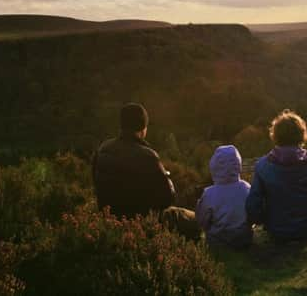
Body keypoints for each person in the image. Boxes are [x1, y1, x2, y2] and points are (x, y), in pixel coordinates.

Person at [93, 103, 199, 239]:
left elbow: (96, 184)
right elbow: (168, 199)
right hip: (143, 222)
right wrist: (167, 177)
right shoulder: (148, 156)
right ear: (143, 128)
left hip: (110, 220)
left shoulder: (102, 149)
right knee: (195, 220)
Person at [246, 110, 307, 242]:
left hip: (275, 230)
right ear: (302, 135)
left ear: (275, 135)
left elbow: (252, 208)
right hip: (306, 230)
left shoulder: (262, 166)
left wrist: (267, 218)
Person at [196, 145, 252, 248]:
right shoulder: (246, 188)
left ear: (214, 166)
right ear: (238, 164)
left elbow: (202, 221)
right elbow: (253, 214)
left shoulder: (209, 193)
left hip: (217, 242)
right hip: (244, 239)